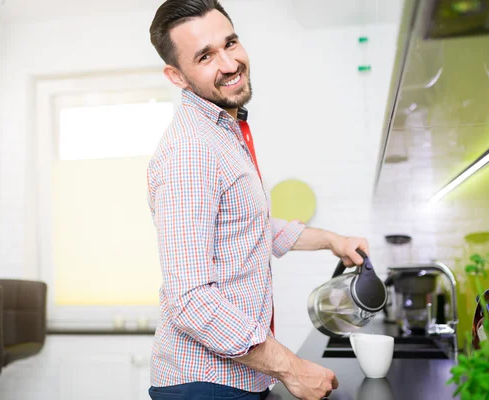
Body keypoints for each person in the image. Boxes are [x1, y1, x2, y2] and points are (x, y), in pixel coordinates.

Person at [147, 1, 370, 399]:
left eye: (230, 43)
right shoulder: (191, 151)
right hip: (206, 386)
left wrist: (332, 240)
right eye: (205, 56)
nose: (230, 63)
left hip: (239, 378)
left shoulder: (224, 132)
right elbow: (191, 301)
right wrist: (293, 368)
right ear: (176, 76)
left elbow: (246, 228)